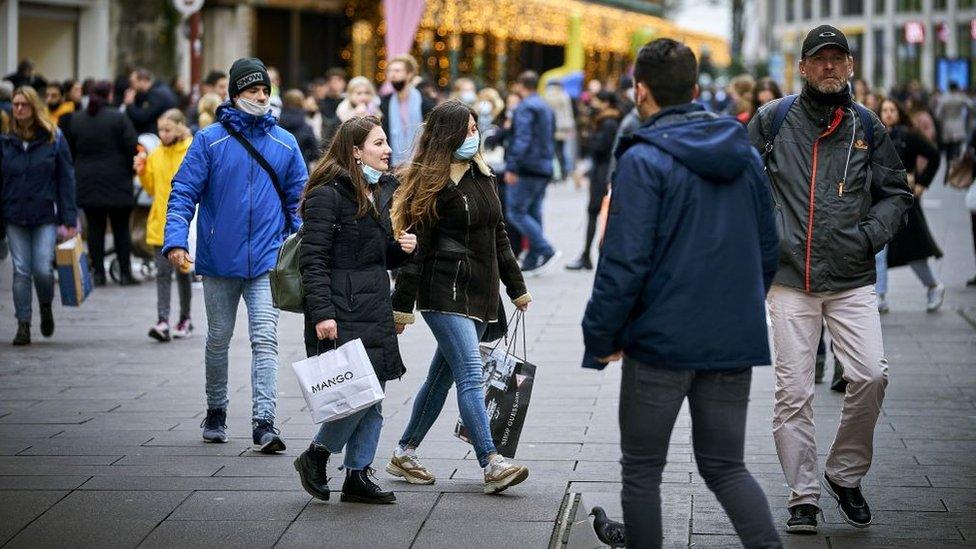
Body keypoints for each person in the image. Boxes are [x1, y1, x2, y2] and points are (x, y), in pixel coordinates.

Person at [581, 38, 782, 549]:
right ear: (695, 90)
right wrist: (742, 307)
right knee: (726, 467)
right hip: (729, 339)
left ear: (639, 91)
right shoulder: (743, 152)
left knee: (643, 472)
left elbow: (623, 261)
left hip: (659, 342)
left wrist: (601, 336)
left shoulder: (643, 158)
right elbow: (767, 244)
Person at [747, 25, 913, 535]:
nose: (829, 67)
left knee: (870, 375)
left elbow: (895, 194)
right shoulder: (773, 120)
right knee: (793, 393)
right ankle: (803, 497)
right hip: (790, 279)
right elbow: (737, 181)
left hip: (851, 277)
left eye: (838, 59)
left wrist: (868, 237)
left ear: (850, 66)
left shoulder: (866, 125)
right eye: (820, 59)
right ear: (802, 67)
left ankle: (844, 473)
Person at [387, 100, 532, 495]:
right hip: (443, 291)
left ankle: (405, 451)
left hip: (480, 292)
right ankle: (491, 462)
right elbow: (414, 251)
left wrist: (516, 287)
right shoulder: (429, 184)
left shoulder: (483, 175)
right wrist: (402, 307)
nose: (474, 135)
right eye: (467, 129)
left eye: (475, 127)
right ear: (448, 135)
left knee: (440, 378)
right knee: (470, 372)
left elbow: (498, 234)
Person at [162, 57, 307, 452]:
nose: (260, 96)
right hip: (219, 258)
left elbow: (299, 201)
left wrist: (307, 243)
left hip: (267, 261)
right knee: (218, 338)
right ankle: (216, 411)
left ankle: (265, 421)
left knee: (265, 339)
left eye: (264, 90)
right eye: (251, 90)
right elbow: (183, 193)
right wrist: (176, 240)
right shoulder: (209, 141)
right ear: (234, 94)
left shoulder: (285, 142)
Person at [293, 116, 417, 504]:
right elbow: (312, 261)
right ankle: (316, 454)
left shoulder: (379, 190)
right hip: (341, 308)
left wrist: (400, 249)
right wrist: (323, 313)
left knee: (373, 394)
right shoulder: (327, 194)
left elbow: (375, 254)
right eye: (378, 144)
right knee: (357, 394)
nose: (387, 150)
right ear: (355, 150)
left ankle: (357, 474)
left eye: (386, 142)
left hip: (374, 304)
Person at [1, 86, 77, 345]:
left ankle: (45, 304)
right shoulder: (6, 140)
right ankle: (23, 323)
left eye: (24, 104)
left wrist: (69, 217)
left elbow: (66, 178)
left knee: (42, 269)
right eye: (15, 104)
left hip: (45, 213)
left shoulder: (53, 138)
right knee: (21, 271)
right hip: (14, 213)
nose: (18, 108)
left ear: (34, 107)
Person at [65, 81, 139, 286]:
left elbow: (70, 151)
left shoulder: (77, 119)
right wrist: (130, 171)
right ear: (109, 95)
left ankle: (98, 273)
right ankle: (125, 273)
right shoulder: (119, 118)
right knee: (121, 229)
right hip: (118, 181)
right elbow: (132, 147)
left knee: (95, 230)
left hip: (88, 182)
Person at [875, 98, 944, 313]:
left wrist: (922, 183)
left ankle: (933, 286)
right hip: (880, 201)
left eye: (892, 109)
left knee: (914, 251)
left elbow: (934, 155)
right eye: (884, 110)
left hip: (905, 201)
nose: (887, 113)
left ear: (899, 112)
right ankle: (879, 296)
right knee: (879, 251)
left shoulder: (908, 135)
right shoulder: (875, 134)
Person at [134, 109, 194, 342]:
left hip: (184, 225)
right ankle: (162, 320)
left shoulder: (191, 150)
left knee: (183, 274)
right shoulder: (157, 154)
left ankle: (185, 318)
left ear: (181, 127)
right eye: (160, 130)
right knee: (162, 273)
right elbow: (151, 188)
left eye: (168, 129)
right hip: (160, 223)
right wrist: (141, 172)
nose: (163, 134)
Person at [505, 71, 560, 275]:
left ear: (521, 85)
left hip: (528, 167)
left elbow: (522, 138)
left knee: (516, 211)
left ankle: (544, 248)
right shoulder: (545, 106)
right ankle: (533, 256)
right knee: (533, 211)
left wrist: (512, 166)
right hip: (543, 166)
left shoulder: (525, 107)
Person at [567, 91, 621, 271]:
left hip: (603, 173)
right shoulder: (609, 120)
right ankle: (588, 255)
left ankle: (589, 255)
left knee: (595, 212)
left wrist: (588, 137)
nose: (594, 103)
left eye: (597, 100)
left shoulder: (608, 123)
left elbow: (600, 147)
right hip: (602, 171)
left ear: (606, 102)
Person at [380, 55, 434, 166]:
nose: (392, 74)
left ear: (409, 74)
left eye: (397, 70)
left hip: (420, 161)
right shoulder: (385, 102)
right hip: (393, 163)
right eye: (389, 71)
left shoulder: (424, 101)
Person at [124, 68, 178, 135]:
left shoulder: (156, 94)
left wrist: (130, 104)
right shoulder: (156, 89)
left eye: (133, 82)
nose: (131, 86)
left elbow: (143, 118)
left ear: (143, 81)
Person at [544, 81, 576, 181]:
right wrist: (570, 126)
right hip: (563, 127)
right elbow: (568, 112)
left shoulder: (547, 96)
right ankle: (564, 172)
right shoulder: (564, 96)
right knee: (561, 150)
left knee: (552, 151)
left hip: (551, 127)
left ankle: (554, 173)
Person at [279, 89, 320, 166]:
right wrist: (306, 157)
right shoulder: (306, 127)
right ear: (301, 103)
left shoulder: (277, 126)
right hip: (301, 168)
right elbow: (315, 153)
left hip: (280, 168)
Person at [935, 82, 972, 163]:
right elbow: (970, 105)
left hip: (947, 125)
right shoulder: (961, 97)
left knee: (948, 151)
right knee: (956, 150)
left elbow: (937, 114)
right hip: (959, 125)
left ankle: (949, 166)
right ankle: (954, 167)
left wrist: (941, 121)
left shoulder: (944, 98)